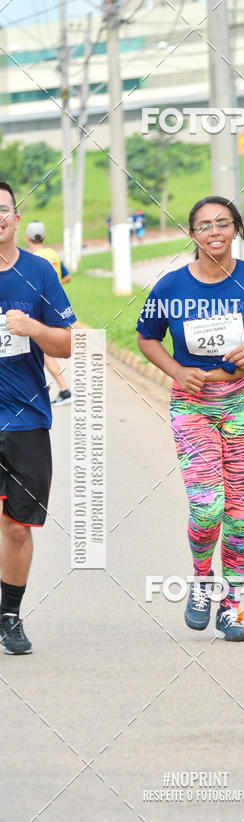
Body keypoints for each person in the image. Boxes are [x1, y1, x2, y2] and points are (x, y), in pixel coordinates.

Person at [137, 195, 244, 642]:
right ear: (192, 235)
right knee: (207, 507)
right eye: (204, 225)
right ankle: (203, 581)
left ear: (236, 229)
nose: (215, 232)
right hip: (193, 407)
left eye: (224, 223)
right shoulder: (170, 286)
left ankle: (232, 607)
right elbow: (147, 338)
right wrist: (177, 372)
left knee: (240, 514)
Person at [0, 182, 77, 655]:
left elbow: (69, 343)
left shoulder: (38, 272)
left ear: (14, 215)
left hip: (26, 417)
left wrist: (33, 328)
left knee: (17, 525)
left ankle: (9, 616)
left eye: (2, 209)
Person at [25, 220, 72, 405]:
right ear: (44, 236)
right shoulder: (53, 254)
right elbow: (66, 277)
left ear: (27, 237)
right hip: (56, 306)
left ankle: (63, 388)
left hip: (40, 309)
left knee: (43, 351)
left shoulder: (31, 258)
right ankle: (60, 388)